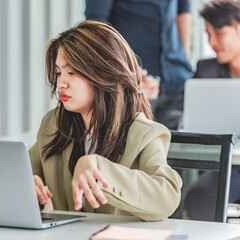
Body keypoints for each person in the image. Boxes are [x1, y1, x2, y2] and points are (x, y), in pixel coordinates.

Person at [29, 20, 182, 222]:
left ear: (104, 72)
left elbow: (167, 198)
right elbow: (18, 173)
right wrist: (25, 187)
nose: (60, 83)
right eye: (58, 72)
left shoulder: (144, 133)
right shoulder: (53, 125)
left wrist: (99, 169)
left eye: (71, 72)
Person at [85, 0, 192, 130]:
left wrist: (185, 56)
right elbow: (96, 26)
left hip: (177, 78)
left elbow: (183, 11)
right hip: (135, 84)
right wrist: (124, 74)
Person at [184, 0, 240, 220]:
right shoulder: (206, 69)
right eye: (207, 34)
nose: (212, 41)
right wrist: (189, 121)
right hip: (229, 166)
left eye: (219, 32)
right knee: (199, 200)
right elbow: (176, 110)